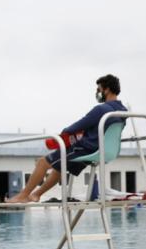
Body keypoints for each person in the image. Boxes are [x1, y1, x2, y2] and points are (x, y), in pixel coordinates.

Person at [7, 74, 127, 203]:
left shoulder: (101, 109)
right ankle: (36, 194)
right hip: (104, 152)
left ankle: (23, 195)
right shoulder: (123, 111)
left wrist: (63, 134)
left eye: (99, 90)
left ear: (106, 89)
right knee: (59, 167)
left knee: (42, 162)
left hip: (86, 149)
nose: (98, 93)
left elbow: (76, 126)